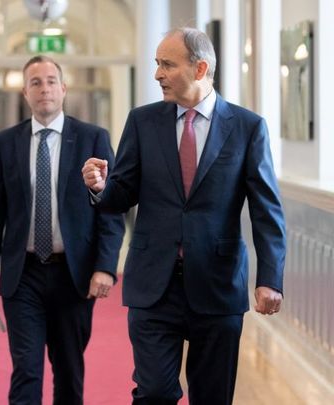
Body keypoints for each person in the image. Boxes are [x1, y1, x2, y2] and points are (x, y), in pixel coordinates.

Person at [82, 28, 286, 405]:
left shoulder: (247, 127)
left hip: (217, 284)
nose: (157, 74)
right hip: (153, 285)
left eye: (167, 64)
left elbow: (266, 210)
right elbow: (121, 194)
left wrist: (270, 278)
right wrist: (99, 187)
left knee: (212, 396)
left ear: (200, 68)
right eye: (157, 64)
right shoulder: (142, 122)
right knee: (155, 392)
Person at [0, 55, 125, 405]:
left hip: (73, 277)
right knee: (26, 370)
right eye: (36, 82)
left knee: (69, 370)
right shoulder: (5, 143)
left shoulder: (92, 139)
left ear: (64, 88)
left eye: (51, 81)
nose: (44, 89)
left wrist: (105, 267)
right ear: (25, 92)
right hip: (22, 274)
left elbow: (111, 210)